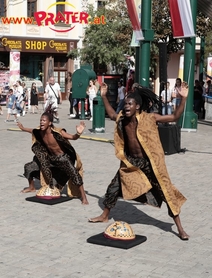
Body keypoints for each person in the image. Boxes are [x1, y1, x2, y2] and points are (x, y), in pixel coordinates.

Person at [89, 82, 190, 241]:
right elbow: (111, 113)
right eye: (125, 103)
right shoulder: (122, 119)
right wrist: (103, 96)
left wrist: (183, 98)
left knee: (166, 192)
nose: (126, 106)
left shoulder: (150, 118)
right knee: (113, 187)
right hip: (130, 162)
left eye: (130, 104)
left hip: (150, 164)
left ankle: (179, 228)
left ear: (137, 106)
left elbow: (174, 116)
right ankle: (105, 215)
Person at [17, 106, 89, 205]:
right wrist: (23, 128)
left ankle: (84, 197)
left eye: (44, 120)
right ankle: (31, 187)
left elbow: (72, 137)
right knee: (29, 167)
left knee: (75, 175)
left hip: (62, 158)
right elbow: (32, 130)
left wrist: (78, 133)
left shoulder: (58, 132)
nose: (41, 122)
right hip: (50, 159)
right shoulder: (39, 132)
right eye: (41, 120)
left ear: (50, 123)